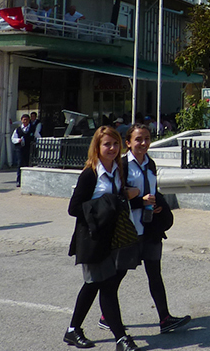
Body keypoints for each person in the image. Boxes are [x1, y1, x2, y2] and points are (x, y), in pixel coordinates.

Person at [98, 124, 190, 334]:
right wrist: (141, 201)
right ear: (128, 143)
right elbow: (116, 198)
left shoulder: (150, 164)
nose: (144, 143)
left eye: (147, 138)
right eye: (138, 139)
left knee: (154, 273)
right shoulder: (120, 165)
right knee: (118, 274)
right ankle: (106, 315)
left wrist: (157, 204)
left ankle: (165, 318)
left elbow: (153, 189)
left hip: (150, 227)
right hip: (129, 229)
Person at [63, 126, 141, 351]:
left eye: (115, 144)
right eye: (107, 144)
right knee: (105, 286)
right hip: (92, 239)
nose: (112, 148)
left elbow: (119, 202)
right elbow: (74, 208)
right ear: (97, 147)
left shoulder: (118, 170)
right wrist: (114, 201)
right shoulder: (90, 173)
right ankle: (121, 339)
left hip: (113, 237)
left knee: (93, 285)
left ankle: (72, 330)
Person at [11, 114, 33, 187]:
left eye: (27, 120)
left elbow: (37, 136)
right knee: (20, 164)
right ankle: (19, 180)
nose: (25, 121)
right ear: (21, 120)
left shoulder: (32, 129)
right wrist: (18, 140)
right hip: (20, 149)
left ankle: (27, 181)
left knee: (28, 164)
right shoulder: (18, 130)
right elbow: (13, 139)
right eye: (24, 119)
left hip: (29, 149)